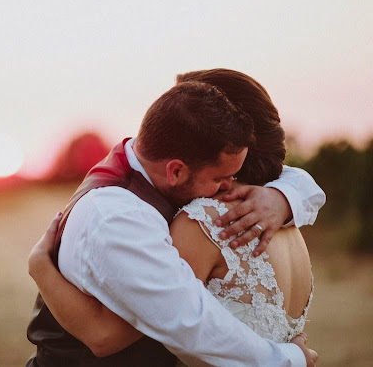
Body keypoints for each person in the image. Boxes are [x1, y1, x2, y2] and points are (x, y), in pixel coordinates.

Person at [25, 70, 325, 366]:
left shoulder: (227, 194)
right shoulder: (119, 217)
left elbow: (298, 182)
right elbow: (166, 325)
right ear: (177, 170)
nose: (226, 186)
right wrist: (290, 360)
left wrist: (283, 197)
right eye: (221, 178)